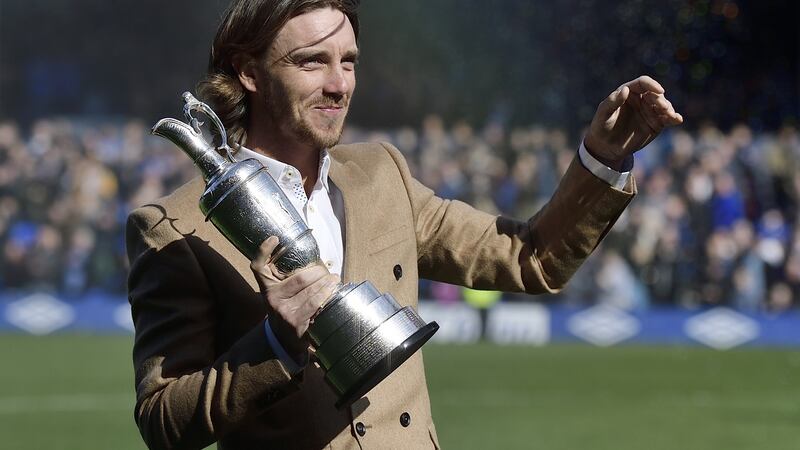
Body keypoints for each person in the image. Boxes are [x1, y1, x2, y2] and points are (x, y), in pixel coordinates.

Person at [125, 0, 683, 448]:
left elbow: (529, 257)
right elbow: (162, 421)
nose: (340, 84)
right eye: (312, 61)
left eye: (349, 61)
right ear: (249, 71)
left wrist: (602, 158)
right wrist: (276, 341)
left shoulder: (380, 175)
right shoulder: (174, 227)